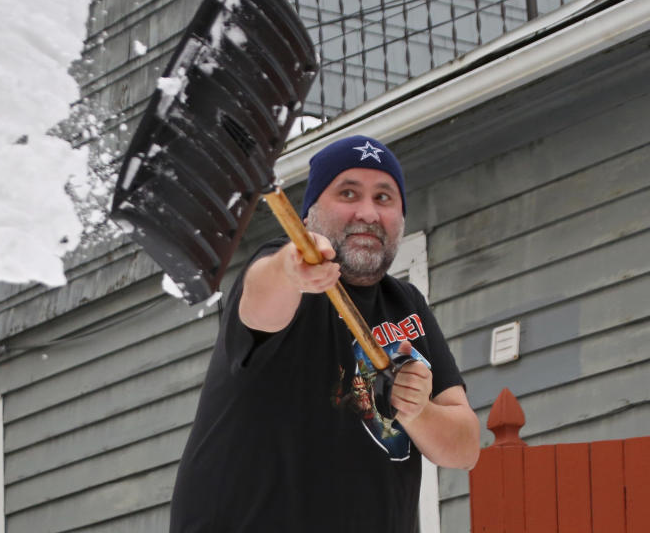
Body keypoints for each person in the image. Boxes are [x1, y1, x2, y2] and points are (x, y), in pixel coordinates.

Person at [169, 135, 481, 532]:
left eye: (384, 198)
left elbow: (465, 448)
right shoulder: (283, 273)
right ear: (310, 212)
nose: (367, 212)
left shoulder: (407, 305)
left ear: (401, 217)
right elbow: (261, 297)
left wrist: (419, 411)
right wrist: (290, 269)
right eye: (348, 193)